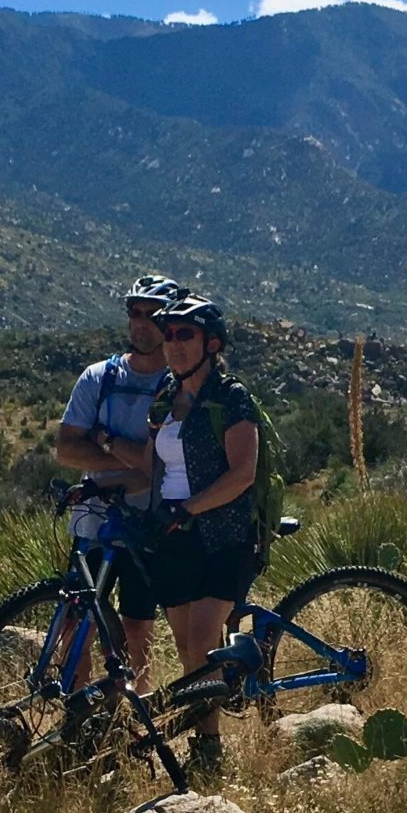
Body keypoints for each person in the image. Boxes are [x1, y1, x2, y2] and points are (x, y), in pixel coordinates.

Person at [144, 295, 262, 775]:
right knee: (185, 647)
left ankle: (209, 750)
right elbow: (152, 462)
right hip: (175, 534)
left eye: (184, 335)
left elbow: (244, 473)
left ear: (211, 343)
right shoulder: (165, 396)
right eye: (168, 335)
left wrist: (189, 507)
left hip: (223, 533)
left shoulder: (230, 397)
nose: (173, 344)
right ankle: (204, 732)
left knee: (201, 641)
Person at [54, 275, 186, 685]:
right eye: (135, 313)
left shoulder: (178, 386)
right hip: (95, 514)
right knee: (76, 619)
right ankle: (78, 712)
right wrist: (132, 470)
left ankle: (135, 719)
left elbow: (163, 462)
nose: (142, 323)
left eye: (153, 315)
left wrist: (106, 440)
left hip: (149, 518)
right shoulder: (99, 377)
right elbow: (66, 449)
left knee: (137, 625)